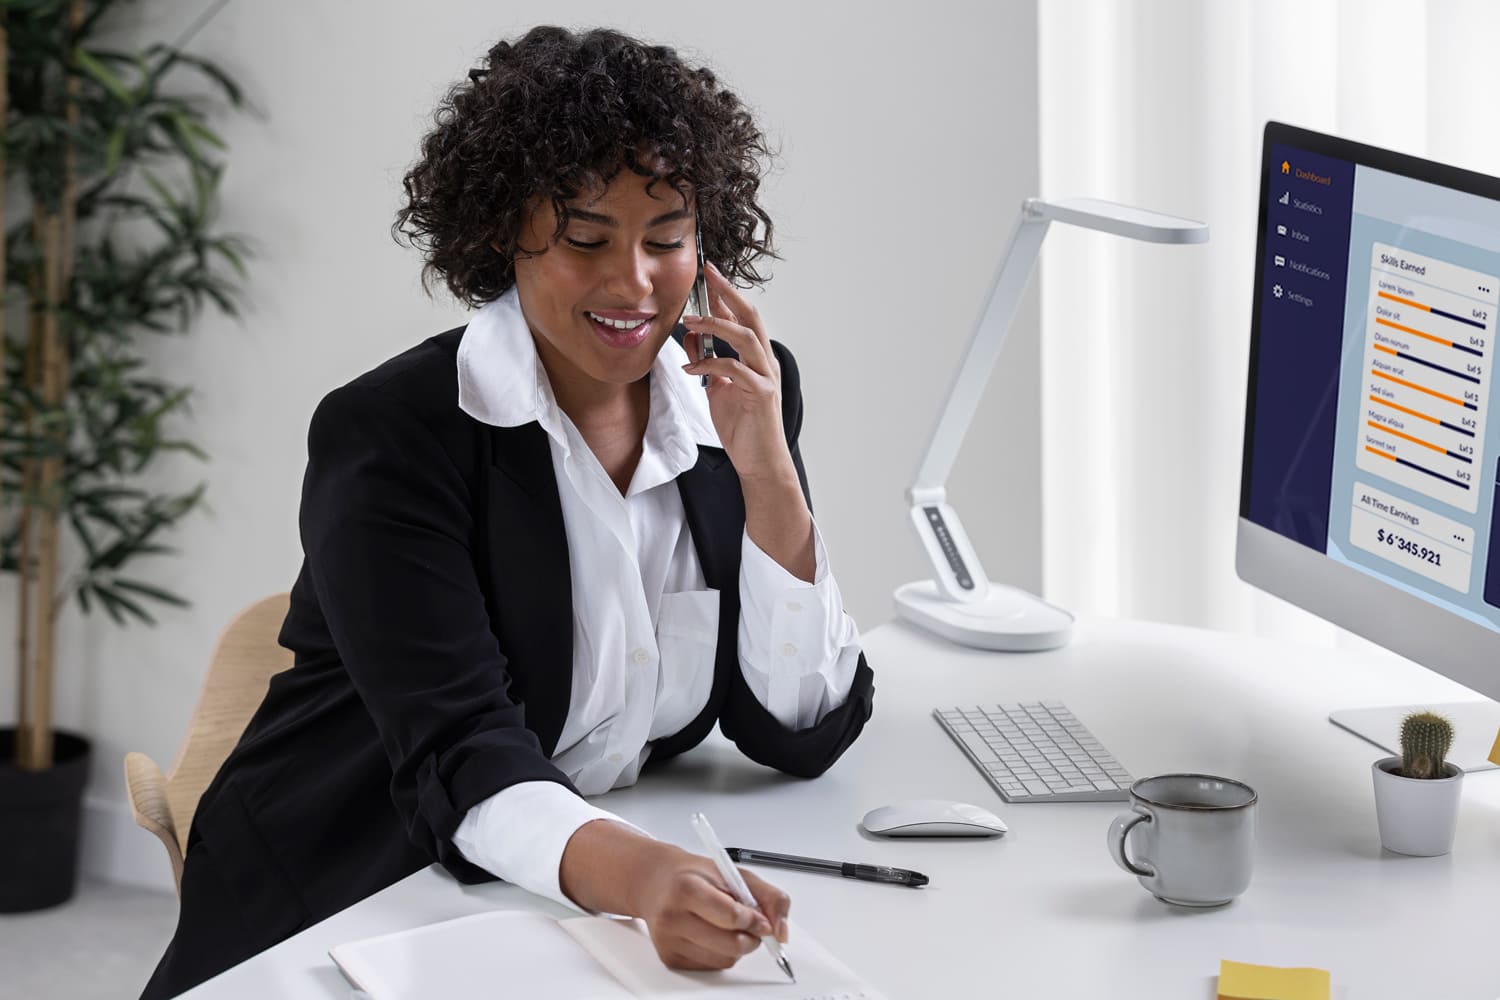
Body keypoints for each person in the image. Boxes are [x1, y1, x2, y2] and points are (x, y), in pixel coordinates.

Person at [141, 25, 874, 1000]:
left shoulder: (738, 396)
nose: (635, 282)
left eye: (666, 239)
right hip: (354, 893)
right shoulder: (392, 436)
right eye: (585, 239)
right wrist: (643, 875)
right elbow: (461, 751)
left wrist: (767, 470)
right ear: (501, 232)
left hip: (553, 902)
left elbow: (794, 734)